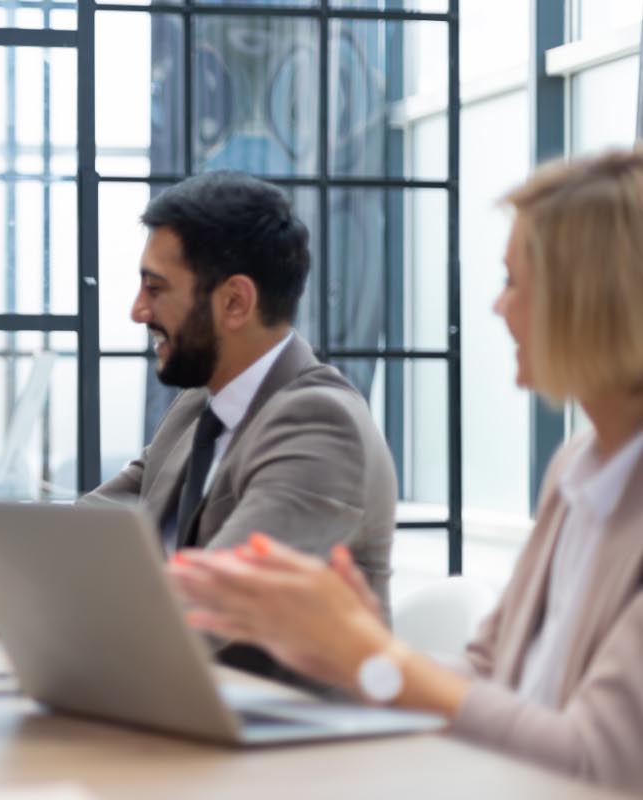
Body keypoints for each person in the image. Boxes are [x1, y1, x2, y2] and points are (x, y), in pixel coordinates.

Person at [166, 149, 643, 792]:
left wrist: (372, 656)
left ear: (590, 301)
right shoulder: (577, 469)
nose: (497, 307)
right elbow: (488, 671)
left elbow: (600, 766)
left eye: (513, 281)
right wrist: (349, 652)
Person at [0, 171, 397, 639]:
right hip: (170, 716)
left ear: (235, 302)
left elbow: (216, 604)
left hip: (284, 743)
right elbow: (84, 529)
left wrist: (7, 589)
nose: (137, 310)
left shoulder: (321, 424)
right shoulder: (198, 410)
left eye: (156, 288)